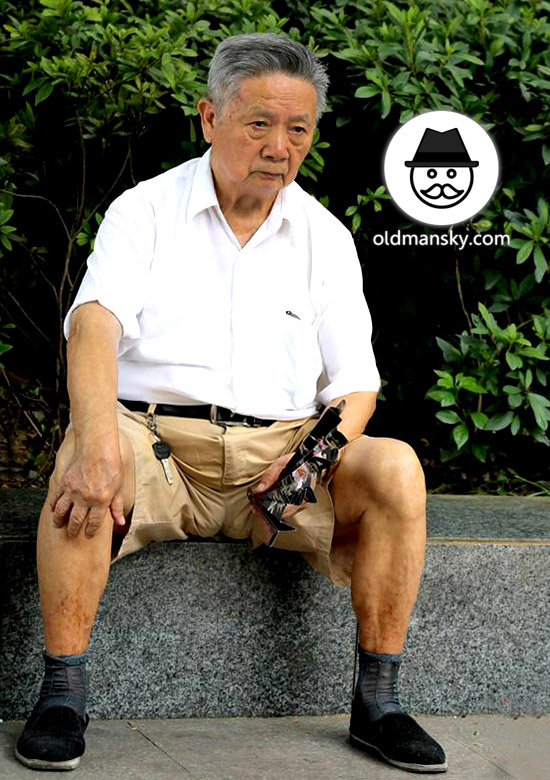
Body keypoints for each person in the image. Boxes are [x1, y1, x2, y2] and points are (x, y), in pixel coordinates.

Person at [14, 32, 447, 774]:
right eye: (260, 124)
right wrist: (93, 441)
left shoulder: (325, 237)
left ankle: (379, 702)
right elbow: (93, 325)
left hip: (280, 460)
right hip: (155, 450)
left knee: (398, 468)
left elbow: (355, 385)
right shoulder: (144, 211)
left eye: (298, 129)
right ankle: (62, 692)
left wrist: (310, 464)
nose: (280, 146)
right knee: (87, 454)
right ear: (209, 118)